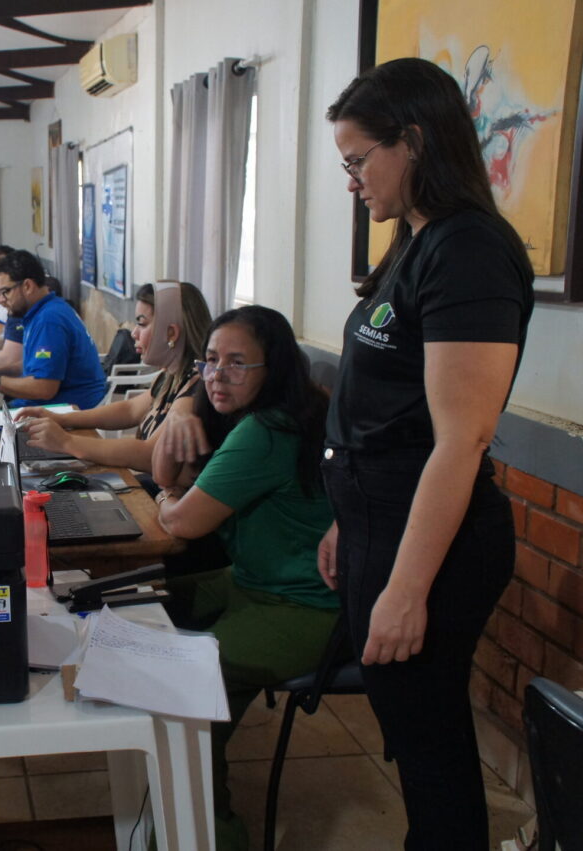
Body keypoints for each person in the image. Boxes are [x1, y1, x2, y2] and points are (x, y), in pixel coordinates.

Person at [321, 57, 534, 849]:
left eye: (357, 161)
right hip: (384, 522)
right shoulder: (414, 243)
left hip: (434, 544)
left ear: (411, 141)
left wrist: (408, 586)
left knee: (431, 737)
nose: (352, 182)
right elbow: (388, 407)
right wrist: (349, 519)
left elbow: (462, 438)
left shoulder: (469, 250)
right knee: (412, 727)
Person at [151, 305, 338, 851]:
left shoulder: (267, 429)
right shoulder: (263, 414)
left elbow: (180, 520)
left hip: (302, 609)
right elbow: (166, 469)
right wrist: (183, 410)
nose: (217, 375)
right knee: (142, 602)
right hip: (252, 583)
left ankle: (215, 834)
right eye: (209, 361)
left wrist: (167, 499)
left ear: (273, 368)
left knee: (181, 683)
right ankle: (171, 791)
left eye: (237, 363)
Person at [14, 280, 209, 471]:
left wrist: (67, 442)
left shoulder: (195, 388)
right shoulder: (170, 376)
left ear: (171, 333)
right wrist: (62, 419)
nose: (134, 333)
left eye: (142, 324)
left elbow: (148, 454)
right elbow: (130, 410)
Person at [0, 250, 106, 409]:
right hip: (53, 405)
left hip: (68, 409)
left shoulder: (49, 320)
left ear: (27, 286)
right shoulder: (42, 311)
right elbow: (35, 367)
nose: (2, 299)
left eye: (6, 292)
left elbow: (44, 388)